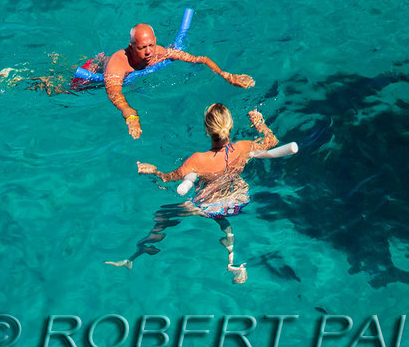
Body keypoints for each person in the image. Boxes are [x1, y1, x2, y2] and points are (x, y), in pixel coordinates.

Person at [114, 103, 283, 283]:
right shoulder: (243, 147)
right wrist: (259, 122)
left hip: (209, 206)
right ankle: (232, 259)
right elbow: (272, 141)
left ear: (207, 130)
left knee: (163, 215)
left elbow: (168, 178)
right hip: (238, 200)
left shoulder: (198, 160)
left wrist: (154, 171)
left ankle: (138, 252)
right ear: (231, 125)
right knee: (222, 216)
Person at [87, 22, 256, 142]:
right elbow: (114, 93)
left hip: (131, 77)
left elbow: (201, 59)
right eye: (142, 48)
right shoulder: (118, 64)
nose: (148, 52)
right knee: (67, 89)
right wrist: (130, 114)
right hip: (93, 73)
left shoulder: (159, 53)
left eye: (151, 45)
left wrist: (226, 75)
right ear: (131, 47)